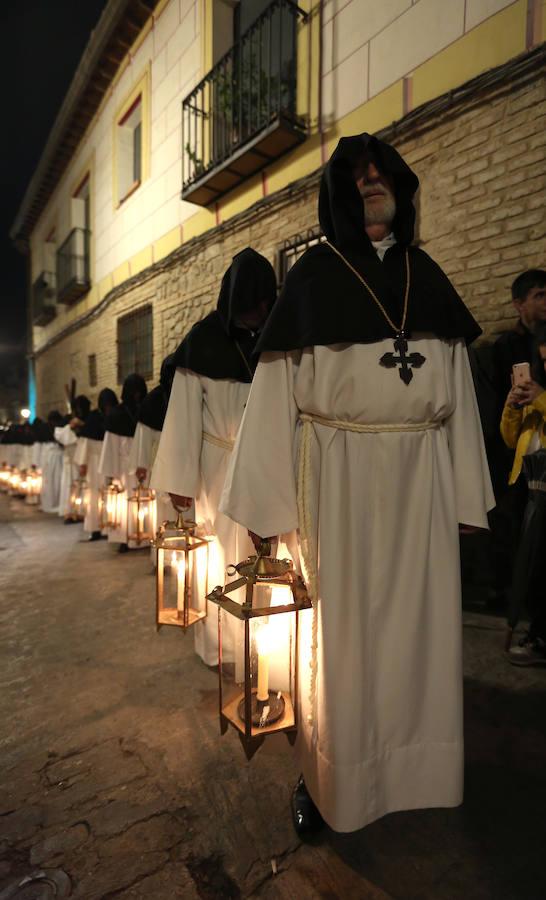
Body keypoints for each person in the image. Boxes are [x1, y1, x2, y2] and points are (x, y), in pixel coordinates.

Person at [220, 133, 494, 835]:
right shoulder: (312, 279)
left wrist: (466, 494)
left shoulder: (426, 278)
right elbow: (277, 393)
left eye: (382, 175)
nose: (372, 185)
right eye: (359, 178)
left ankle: (416, 772)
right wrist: (267, 507)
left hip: (422, 485)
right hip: (335, 485)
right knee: (341, 648)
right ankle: (330, 779)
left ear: (401, 189)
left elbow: (457, 390)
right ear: (340, 195)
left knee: (419, 640)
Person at [151, 248, 277, 665]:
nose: (262, 309)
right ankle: (222, 647)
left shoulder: (274, 338)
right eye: (255, 300)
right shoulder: (202, 342)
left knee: (268, 557)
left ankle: (267, 649)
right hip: (217, 468)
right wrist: (179, 484)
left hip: (267, 463)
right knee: (224, 556)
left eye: (266, 300)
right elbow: (183, 416)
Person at [488, 270, 546, 607]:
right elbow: (503, 409)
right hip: (516, 451)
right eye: (538, 295)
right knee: (512, 526)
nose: (544, 302)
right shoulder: (505, 346)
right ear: (518, 304)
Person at [501, 326, 546, 665]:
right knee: (530, 568)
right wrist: (513, 405)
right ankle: (537, 633)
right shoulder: (537, 394)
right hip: (530, 486)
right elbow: (510, 438)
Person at [98, 374, 147, 552]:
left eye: (139, 391)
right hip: (124, 468)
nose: (136, 395)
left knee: (145, 503)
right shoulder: (116, 415)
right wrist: (111, 473)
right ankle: (125, 538)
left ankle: (145, 537)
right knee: (124, 503)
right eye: (133, 391)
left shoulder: (146, 410)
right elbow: (111, 445)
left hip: (144, 466)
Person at [130, 354, 177, 539]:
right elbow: (143, 436)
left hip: (184, 462)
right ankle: (164, 558)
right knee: (163, 510)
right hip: (160, 463)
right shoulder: (153, 401)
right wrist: (141, 466)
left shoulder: (188, 396)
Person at [74, 388, 118, 541]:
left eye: (110, 405)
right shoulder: (93, 418)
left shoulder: (115, 417)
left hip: (108, 462)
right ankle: (94, 529)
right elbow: (85, 441)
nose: (108, 408)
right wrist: (83, 463)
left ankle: (107, 528)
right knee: (93, 497)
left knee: (108, 496)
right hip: (93, 464)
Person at [55, 395, 91, 523]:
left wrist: (83, 425)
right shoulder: (67, 421)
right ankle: (70, 512)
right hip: (69, 459)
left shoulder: (89, 419)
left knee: (82, 486)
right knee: (69, 486)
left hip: (82, 457)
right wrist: (70, 426)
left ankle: (81, 512)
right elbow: (60, 436)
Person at [40, 411, 64, 514]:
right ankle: (53, 503)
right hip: (54, 457)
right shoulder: (55, 429)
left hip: (50, 457)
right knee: (54, 481)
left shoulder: (46, 428)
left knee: (52, 481)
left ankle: (51, 502)